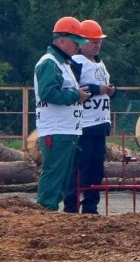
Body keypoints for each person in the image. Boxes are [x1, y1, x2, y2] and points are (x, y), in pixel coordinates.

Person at [34, 16, 91, 211]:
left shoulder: (62, 64)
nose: (78, 46)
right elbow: (48, 93)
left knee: (62, 175)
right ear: (62, 41)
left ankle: (49, 210)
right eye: (76, 42)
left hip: (65, 129)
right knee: (54, 173)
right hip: (57, 129)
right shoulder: (50, 63)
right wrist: (76, 95)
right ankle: (45, 210)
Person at [64, 19, 116, 214]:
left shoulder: (100, 63)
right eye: (93, 41)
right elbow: (74, 88)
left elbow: (106, 87)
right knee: (79, 166)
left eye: (99, 41)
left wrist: (111, 91)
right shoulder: (77, 62)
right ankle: (71, 205)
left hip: (100, 122)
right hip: (84, 124)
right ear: (82, 42)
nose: (97, 45)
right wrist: (97, 89)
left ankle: (90, 206)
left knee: (96, 168)